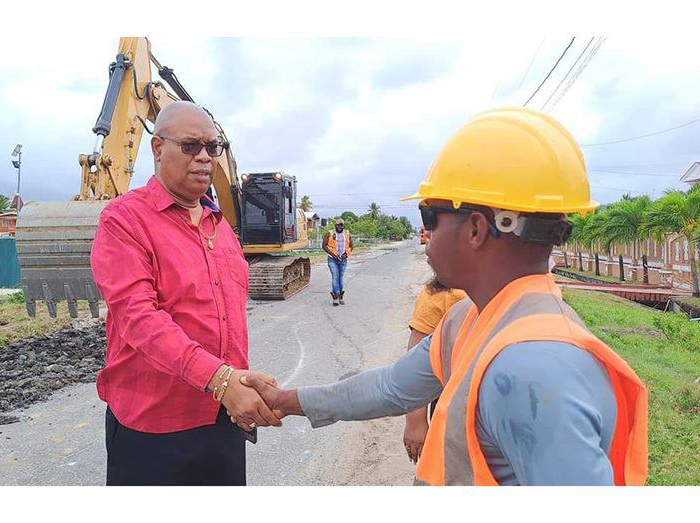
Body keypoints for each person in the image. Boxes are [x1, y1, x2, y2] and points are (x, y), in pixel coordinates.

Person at [241, 107, 648, 486]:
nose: (426, 235)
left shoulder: (533, 369)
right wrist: (286, 400)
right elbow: (391, 387)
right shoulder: (473, 317)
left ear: (476, 229)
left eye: (429, 216)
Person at [90, 101, 281, 486]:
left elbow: (227, 319)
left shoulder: (219, 225)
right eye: (191, 146)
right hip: (154, 427)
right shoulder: (123, 221)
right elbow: (139, 319)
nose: (205, 158)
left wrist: (237, 387)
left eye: (213, 147)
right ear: (158, 149)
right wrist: (222, 379)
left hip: (222, 418)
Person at [402, 277, 466, 464]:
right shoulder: (442, 293)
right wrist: (415, 421)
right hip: (449, 407)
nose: (428, 253)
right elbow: (415, 369)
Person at [322, 218, 353, 306]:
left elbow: (351, 246)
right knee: (335, 276)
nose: (340, 226)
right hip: (332, 259)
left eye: (341, 225)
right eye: (338, 225)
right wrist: (334, 255)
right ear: (335, 225)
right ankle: (335, 297)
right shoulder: (330, 233)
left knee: (340, 278)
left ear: (343, 226)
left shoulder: (347, 234)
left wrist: (346, 255)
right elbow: (324, 246)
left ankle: (341, 297)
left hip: (343, 260)